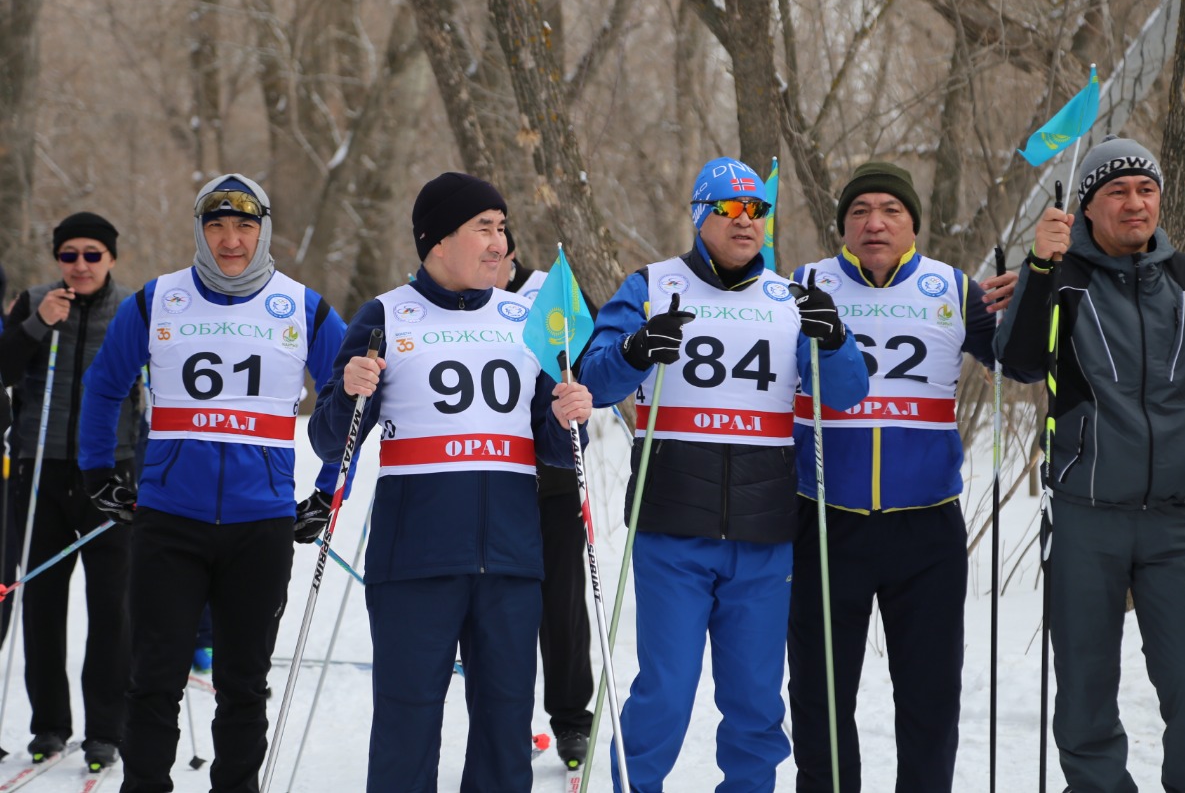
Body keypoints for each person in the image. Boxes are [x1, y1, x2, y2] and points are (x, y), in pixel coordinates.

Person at [576, 157, 869, 792]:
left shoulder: (791, 298)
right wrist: (633, 350)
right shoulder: (651, 286)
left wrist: (837, 337)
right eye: (730, 209)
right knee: (666, 691)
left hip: (764, 533)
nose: (746, 222)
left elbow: (845, 394)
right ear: (700, 216)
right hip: (672, 525)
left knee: (756, 702)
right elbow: (591, 378)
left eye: (757, 210)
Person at [995, 136, 1185, 793]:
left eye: (1145, 189)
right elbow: (1021, 359)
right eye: (1115, 190)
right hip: (1087, 513)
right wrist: (1036, 268)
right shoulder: (1063, 279)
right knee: (1086, 687)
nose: (1134, 202)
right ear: (1087, 205)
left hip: (1177, 520)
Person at [309, 172, 592, 793]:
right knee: (406, 732)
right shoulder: (385, 315)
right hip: (416, 562)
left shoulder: (528, 318)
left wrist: (572, 414)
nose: (499, 243)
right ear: (437, 241)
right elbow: (331, 441)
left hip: (512, 561)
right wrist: (350, 390)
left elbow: (558, 447)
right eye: (483, 229)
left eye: (501, 228)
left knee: (504, 733)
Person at [78, 173, 350, 792]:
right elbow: (103, 388)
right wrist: (99, 472)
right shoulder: (157, 300)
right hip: (170, 521)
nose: (231, 241)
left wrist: (330, 491)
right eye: (217, 226)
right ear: (201, 231)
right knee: (154, 680)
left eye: (244, 227)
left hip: (261, 525)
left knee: (243, 685)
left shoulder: (303, 306)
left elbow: (348, 407)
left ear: (264, 230)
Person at [785, 162, 1025, 792]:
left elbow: (1019, 363)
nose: (874, 223)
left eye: (890, 210)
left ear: (913, 222)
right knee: (820, 697)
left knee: (929, 698)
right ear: (843, 226)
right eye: (860, 211)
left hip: (926, 530)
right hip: (827, 522)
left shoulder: (954, 287)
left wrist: (1035, 294)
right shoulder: (804, 284)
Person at [0, 213, 137, 769]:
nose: (79, 265)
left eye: (92, 255)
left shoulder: (133, 309)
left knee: (113, 610)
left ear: (110, 259)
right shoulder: (33, 301)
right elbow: (3, 370)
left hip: (111, 473)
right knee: (43, 605)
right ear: (57, 259)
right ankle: (49, 726)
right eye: (69, 255)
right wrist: (36, 325)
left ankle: (105, 728)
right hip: (41, 471)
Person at [497, 230, 597, 768]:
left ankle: (571, 721)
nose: (491, 259)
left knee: (561, 607)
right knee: (501, 612)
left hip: (552, 478)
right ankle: (507, 722)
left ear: (512, 254)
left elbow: (589, 337)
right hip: (492, 483)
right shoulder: (462, 300)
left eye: (500, 250)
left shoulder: (545, 291)